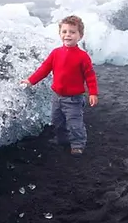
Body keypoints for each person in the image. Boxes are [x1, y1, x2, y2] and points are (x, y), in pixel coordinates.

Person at [21, 15, 98, 156]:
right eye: (64, 31)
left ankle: (77, 144)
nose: (68, 35)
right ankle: (62, 140)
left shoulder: (83, 56)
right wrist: (31, 80)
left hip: (74, 99)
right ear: (60, 34)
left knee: (75, 123)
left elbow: (90, 76)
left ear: (80, 36)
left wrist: (93, 93)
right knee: (57, 121)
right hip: (57, 97)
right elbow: (44, 69)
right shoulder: (56, 53)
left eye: (72, 32)